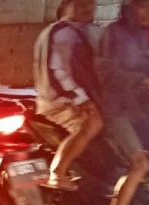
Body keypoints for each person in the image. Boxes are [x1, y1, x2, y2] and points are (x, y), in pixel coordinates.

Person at [95, 0, 149, 205]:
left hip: (136, 109)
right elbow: (106, 72)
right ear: (131, 8)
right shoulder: (113, 33)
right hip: (116, 110)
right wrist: (142, 81)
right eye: (144, 6)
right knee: (140, 164)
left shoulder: (141, 36)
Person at [34, 0, 102, 191]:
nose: (87, 8)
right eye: (80, 4)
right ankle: (57, 172)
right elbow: (59, 70)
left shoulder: (84, 31)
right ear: (67, 6)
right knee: (92, 123)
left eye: (90, 3)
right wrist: (82, 99)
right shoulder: (63, 32)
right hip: (59, 101)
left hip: (70, 98)